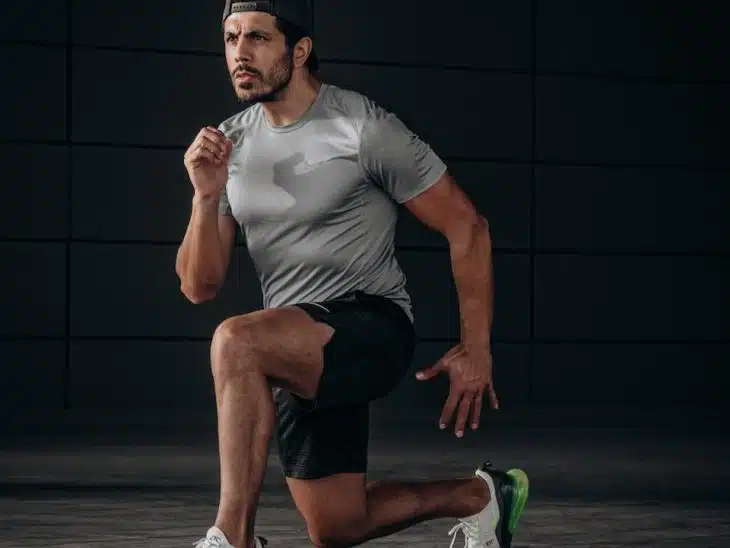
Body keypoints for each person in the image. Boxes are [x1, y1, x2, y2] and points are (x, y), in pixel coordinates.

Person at [175, 1, 529, 547]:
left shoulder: (362, 127)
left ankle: (231, 538)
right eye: (230, 38)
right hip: (294, 345)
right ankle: (483, 496)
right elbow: (199, 285)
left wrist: (475, 348)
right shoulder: (231, 143)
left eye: (258, 39)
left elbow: (468, 226)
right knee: (337, 525)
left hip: (372, 326)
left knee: (234, 342)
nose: (239, 54)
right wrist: (206, 195)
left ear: (299, 50)